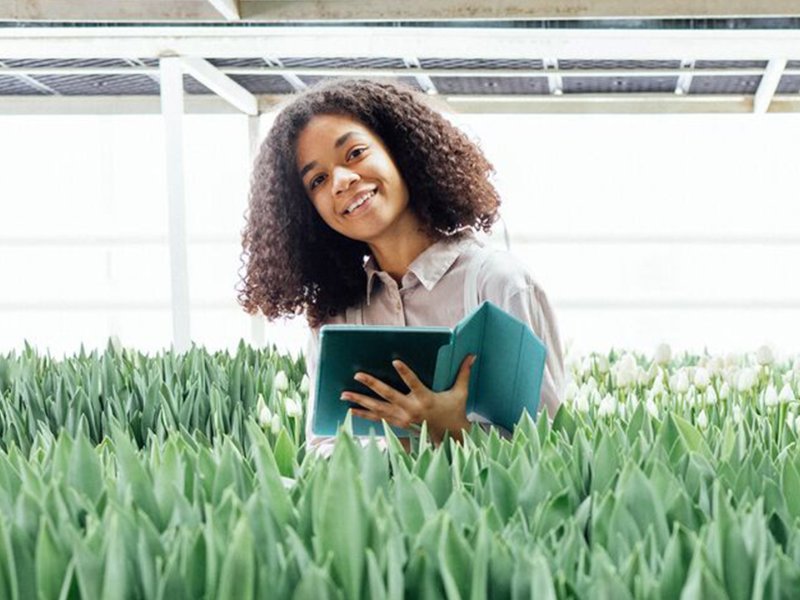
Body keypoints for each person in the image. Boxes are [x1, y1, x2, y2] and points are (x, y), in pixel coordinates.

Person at [238, 78, 564, 456]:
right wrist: (391, 447)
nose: (342, 181)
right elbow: (323, 447)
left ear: (400, 150)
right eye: (318, 180)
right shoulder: (338, 315)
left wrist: (455, 429)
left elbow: (554, 446)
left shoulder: (497, 284)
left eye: (356, 153)